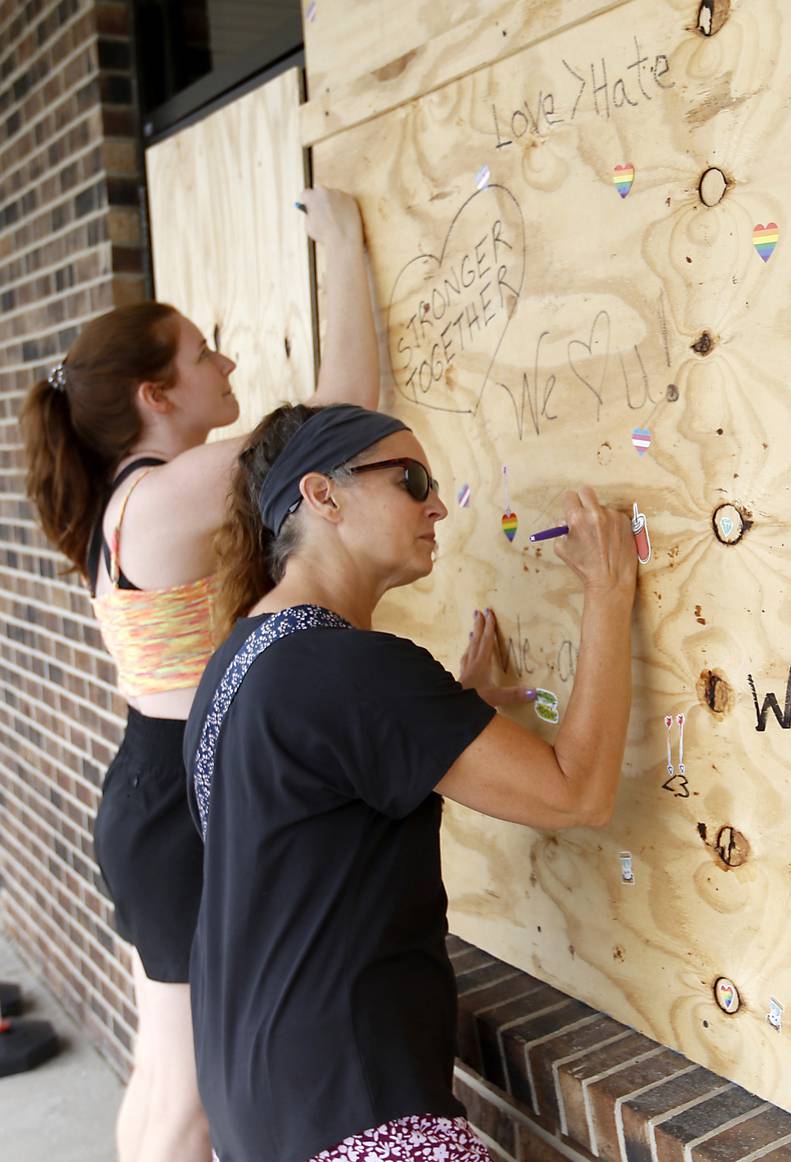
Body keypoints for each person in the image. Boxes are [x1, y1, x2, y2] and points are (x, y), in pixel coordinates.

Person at [18, 189, 381, 1162]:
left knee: (170, 1079)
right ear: (156, 394)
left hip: (156, 791)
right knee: (187, 1101)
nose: (226, 363)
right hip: (175, 803)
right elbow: (345, 426)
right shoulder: (170, 492)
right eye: (202, 354)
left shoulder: (128, 501)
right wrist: (344, 248)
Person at [185, 403, 636, 1161]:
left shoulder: (239, 660)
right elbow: (577, 792)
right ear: (322, 495)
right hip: (362, 1122)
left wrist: (440, 726)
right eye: (410, 479)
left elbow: (318, 827)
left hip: (258, 1117)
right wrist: (608, 591)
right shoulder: (352, 671)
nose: (435, 503)